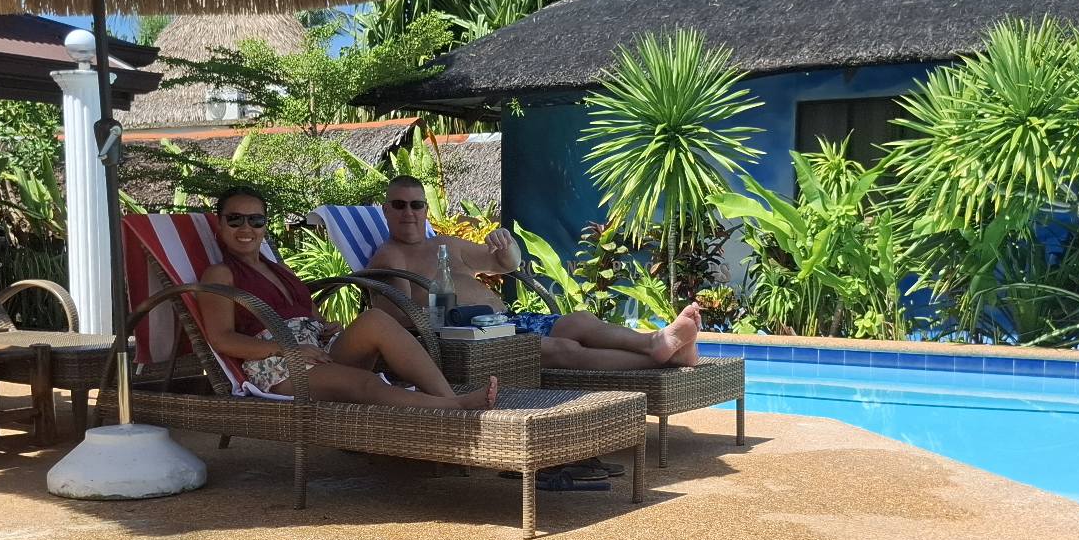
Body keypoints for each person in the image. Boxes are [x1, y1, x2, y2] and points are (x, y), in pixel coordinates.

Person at [196, 188, 497, 409]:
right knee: (366, 383)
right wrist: (288, 349)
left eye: (255, 220)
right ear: (220, 225)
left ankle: (447, 398)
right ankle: (454, 408)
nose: (246, 228)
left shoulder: (280, 269)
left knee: (376, 319)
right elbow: (222, 339)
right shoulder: (220, 274)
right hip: (278, 366)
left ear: (265, 224)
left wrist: (325, 325)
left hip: (316, 350)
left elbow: (307, 311)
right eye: (235, 220)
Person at [367, 176, 702, 370]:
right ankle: (664, 358)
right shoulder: (390, 256)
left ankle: (655, 342)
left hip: (507, 321)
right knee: (563, 349)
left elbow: (506, 264)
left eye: (416, 205)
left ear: (426, 209)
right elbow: (398, 316)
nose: (409, 212)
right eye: (399, 205)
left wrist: (506, 244)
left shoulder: (446, 244)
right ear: (386, 210)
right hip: (472, 339)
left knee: (580, 321)